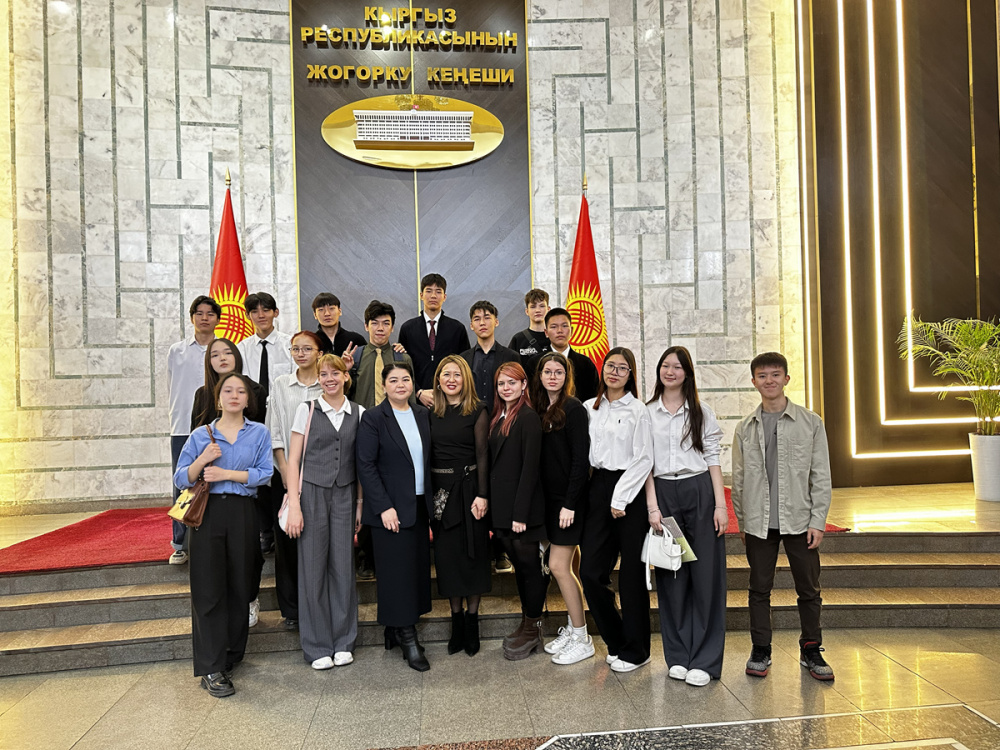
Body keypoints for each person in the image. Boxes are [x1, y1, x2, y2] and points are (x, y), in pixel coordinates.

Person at [731, 351, 834, 681]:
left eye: (775, 374)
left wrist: (818, 521)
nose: (769, 380)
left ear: (787, 379)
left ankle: (811, 649)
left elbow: (821, 476)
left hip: (800, 520)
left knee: (809, 589)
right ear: (754, 382)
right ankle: (761, 649)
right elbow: (739, 479)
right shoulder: (745, 428)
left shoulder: (810, 422)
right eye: (762, 376)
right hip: (758, 523)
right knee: (759, 589)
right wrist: (743, 521)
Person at [173, 372, 273, 698]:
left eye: (240, 391)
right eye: (227, 390)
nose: (234, 395)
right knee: (208, 588)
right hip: (208, 513)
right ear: (218, 399)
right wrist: (203, 460)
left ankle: (231, 652)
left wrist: (226, 473)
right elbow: (180, 478)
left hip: (243, 512)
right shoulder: (201, 435)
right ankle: (210, 666)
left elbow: (265, 474)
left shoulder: (259, 432)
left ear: (248, 399)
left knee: (240, 585)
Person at [644, 346, 728, 687]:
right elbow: (645, 464)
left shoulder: (701, 411)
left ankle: (705, 661)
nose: (670, 371)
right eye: (665, 365)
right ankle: (678, 656)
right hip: (665, 494)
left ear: (687, 373)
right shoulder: (647, 412)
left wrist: (720, 505)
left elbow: (713, 458)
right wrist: (653, 507)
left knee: (706, 577)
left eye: (678, 367)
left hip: (699, 492)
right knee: (673, 576)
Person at [283, 354, 364, 670]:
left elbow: (361, 463)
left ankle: (344, 641)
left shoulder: (358, 412)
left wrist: (359, 504)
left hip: (345, 493)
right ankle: (317, 645)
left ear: (346, 376)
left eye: (335, 373)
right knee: (312, 569)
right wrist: (294, 505)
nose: (329, 379)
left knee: (343, 568)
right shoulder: (306, 409)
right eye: (324, 374)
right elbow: (293, 460)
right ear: (318, 379)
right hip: (312, 494)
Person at [580, 347, 654, 673]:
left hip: (629, 491)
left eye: (622, 368)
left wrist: (620, 498)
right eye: (611, 366)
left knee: (631, 575)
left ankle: (638, 651)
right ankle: (616, 640)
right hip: (597, 487)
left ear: (630, 375)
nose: (615, 372)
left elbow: (644, 458)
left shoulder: (639, 410)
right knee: (590, 572)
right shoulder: (589, 407)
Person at [356, 362, 433, 672]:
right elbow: (365, 465)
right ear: (384, 385)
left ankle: (395, 629)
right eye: (393, 380)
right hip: (390, 511)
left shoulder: (422, 414)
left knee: (414, 571)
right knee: (396, 575)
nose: (401, 384)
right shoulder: (374, 417)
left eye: (406, 379)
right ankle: (408, 637)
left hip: (419, 506)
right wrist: (383, 506)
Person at [530, 352, 594, 665]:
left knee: (558, 566)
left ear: (566, 376)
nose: (552, 376)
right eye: (547, 371)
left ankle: (582, 638)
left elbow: (581, 461)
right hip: (549, 501)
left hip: (569, 502)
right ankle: (573, 626)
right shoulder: (539, 407)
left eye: (558, 372)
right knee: (570, 565)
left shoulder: (573, 408)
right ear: (540, 375)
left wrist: (570, 504)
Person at [345, 299, 415, 579]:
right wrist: (346, 371)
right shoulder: (357, 356)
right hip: (362, 427)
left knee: (391, 486)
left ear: (392, 327)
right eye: (375, 323)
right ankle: (366, 554)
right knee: (365, 488)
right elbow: (345, 393)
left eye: (386, 323)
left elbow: (410, 393)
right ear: (366, 326)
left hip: (394, 430)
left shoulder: (401, 357)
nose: (380, 328)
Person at [428, 355, 491, 656]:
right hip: (440, 496)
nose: (451, 379)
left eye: (457, 374)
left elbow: (483, 455)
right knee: (448, 559)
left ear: (466, 379)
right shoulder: (429, 412)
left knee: (473, 556)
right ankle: (456, 622)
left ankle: (472, 621)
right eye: (446, 374)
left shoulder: (478, 410)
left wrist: (483, 494)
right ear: (438, 380)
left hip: (470, 494)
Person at [488, 362, 549, 660]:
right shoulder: (498, 415)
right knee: (520, 569)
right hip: (502, 506)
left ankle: (532, 626)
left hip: (522, 510)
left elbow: (530, 469)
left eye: (512, 382)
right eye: (501, 383)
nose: (506, 388)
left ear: (524, 385)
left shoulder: (528, 417)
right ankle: (527, 622)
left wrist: (520, 514)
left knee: (530, 569)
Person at [265, 330, 325, 631]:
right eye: (295, 349)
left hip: (320, 477)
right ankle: (292, 609)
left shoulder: (327, 384)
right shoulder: (280, 385)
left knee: (317, 542)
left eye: (307, 349)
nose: (300, 354)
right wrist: (287, 474)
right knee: (287, 543)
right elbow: (274, 431)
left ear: (319, 353)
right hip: (286, 474)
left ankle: (318, 604)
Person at [238, 292, 293, 558]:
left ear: (275, 313)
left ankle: (283, 524)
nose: (261, 315)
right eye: (255, 311)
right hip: (252, 418)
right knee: (258, 475)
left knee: (280, 472)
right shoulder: (241, 348)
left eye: (266, 309)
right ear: (248, 316)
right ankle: (265, 530)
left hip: (282, 417)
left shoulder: (289, 344)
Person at [166, 296, 219, 564]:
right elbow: (171, 386)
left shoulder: (223, 350)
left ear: (218, 319)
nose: (204, 318)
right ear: (191, 317)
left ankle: (213, 537)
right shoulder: (177, 351)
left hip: (216, 426)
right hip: (182, 426)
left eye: (210, 313)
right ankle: (180, 543)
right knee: (183, 483)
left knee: (217, 482)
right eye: (199, 313)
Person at [398, 273, 470, 408]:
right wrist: (418, 392)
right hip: (416, 402)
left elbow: (464, 366)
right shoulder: (408, 328)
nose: (433, 296)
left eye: (438, 291)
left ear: (444, 297)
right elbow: (402, 367)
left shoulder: (457, 328)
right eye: (428, 291)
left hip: (450, 401)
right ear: (421, 295)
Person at [525, 308, 600, 402]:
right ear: (546, 333)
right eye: (554, 327)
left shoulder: (585, 363)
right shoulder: (534, 363)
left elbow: (593, 398)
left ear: (571, 330)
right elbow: (530, 396)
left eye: (564, 326)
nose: (560, 331)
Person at [191, 339, 266, 429]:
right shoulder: (202, 394)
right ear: (209, 362)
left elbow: (260, 430)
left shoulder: (255, 390)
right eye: (215, 355)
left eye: (228, 353)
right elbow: (195, 433)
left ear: (237, 356)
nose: (222, 358)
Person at [461, 300, 520, 413]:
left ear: (496, 322)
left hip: (503, 417)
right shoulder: (463, 359)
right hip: (471, 418)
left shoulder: (511, 356)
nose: (482, 323)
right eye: (477, 319)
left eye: (487, 318)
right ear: (471, 326)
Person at [312, 292, 366, 356]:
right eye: (321, 310)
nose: (327, 314)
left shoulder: (356, 340)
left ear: (340, 311)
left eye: (331, 308)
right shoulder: (311, 342)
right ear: (315, 315)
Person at [508, 288, 550, 359]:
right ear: (527, 311)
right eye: (533, 307)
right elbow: (510, 364)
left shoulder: (555, 337)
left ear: (548, 309)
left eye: (542, 306)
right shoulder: (518, 339)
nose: (537, 310)